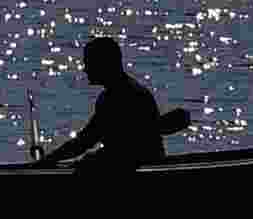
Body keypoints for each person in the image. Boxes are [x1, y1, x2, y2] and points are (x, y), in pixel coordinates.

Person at [37, 37, 165, 169]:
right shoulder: (117, 93)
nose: (85, 69)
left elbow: (85, 141)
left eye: (88, 63)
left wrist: (49, 159)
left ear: (104, 64)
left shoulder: (120, 97)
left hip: (138, 166)